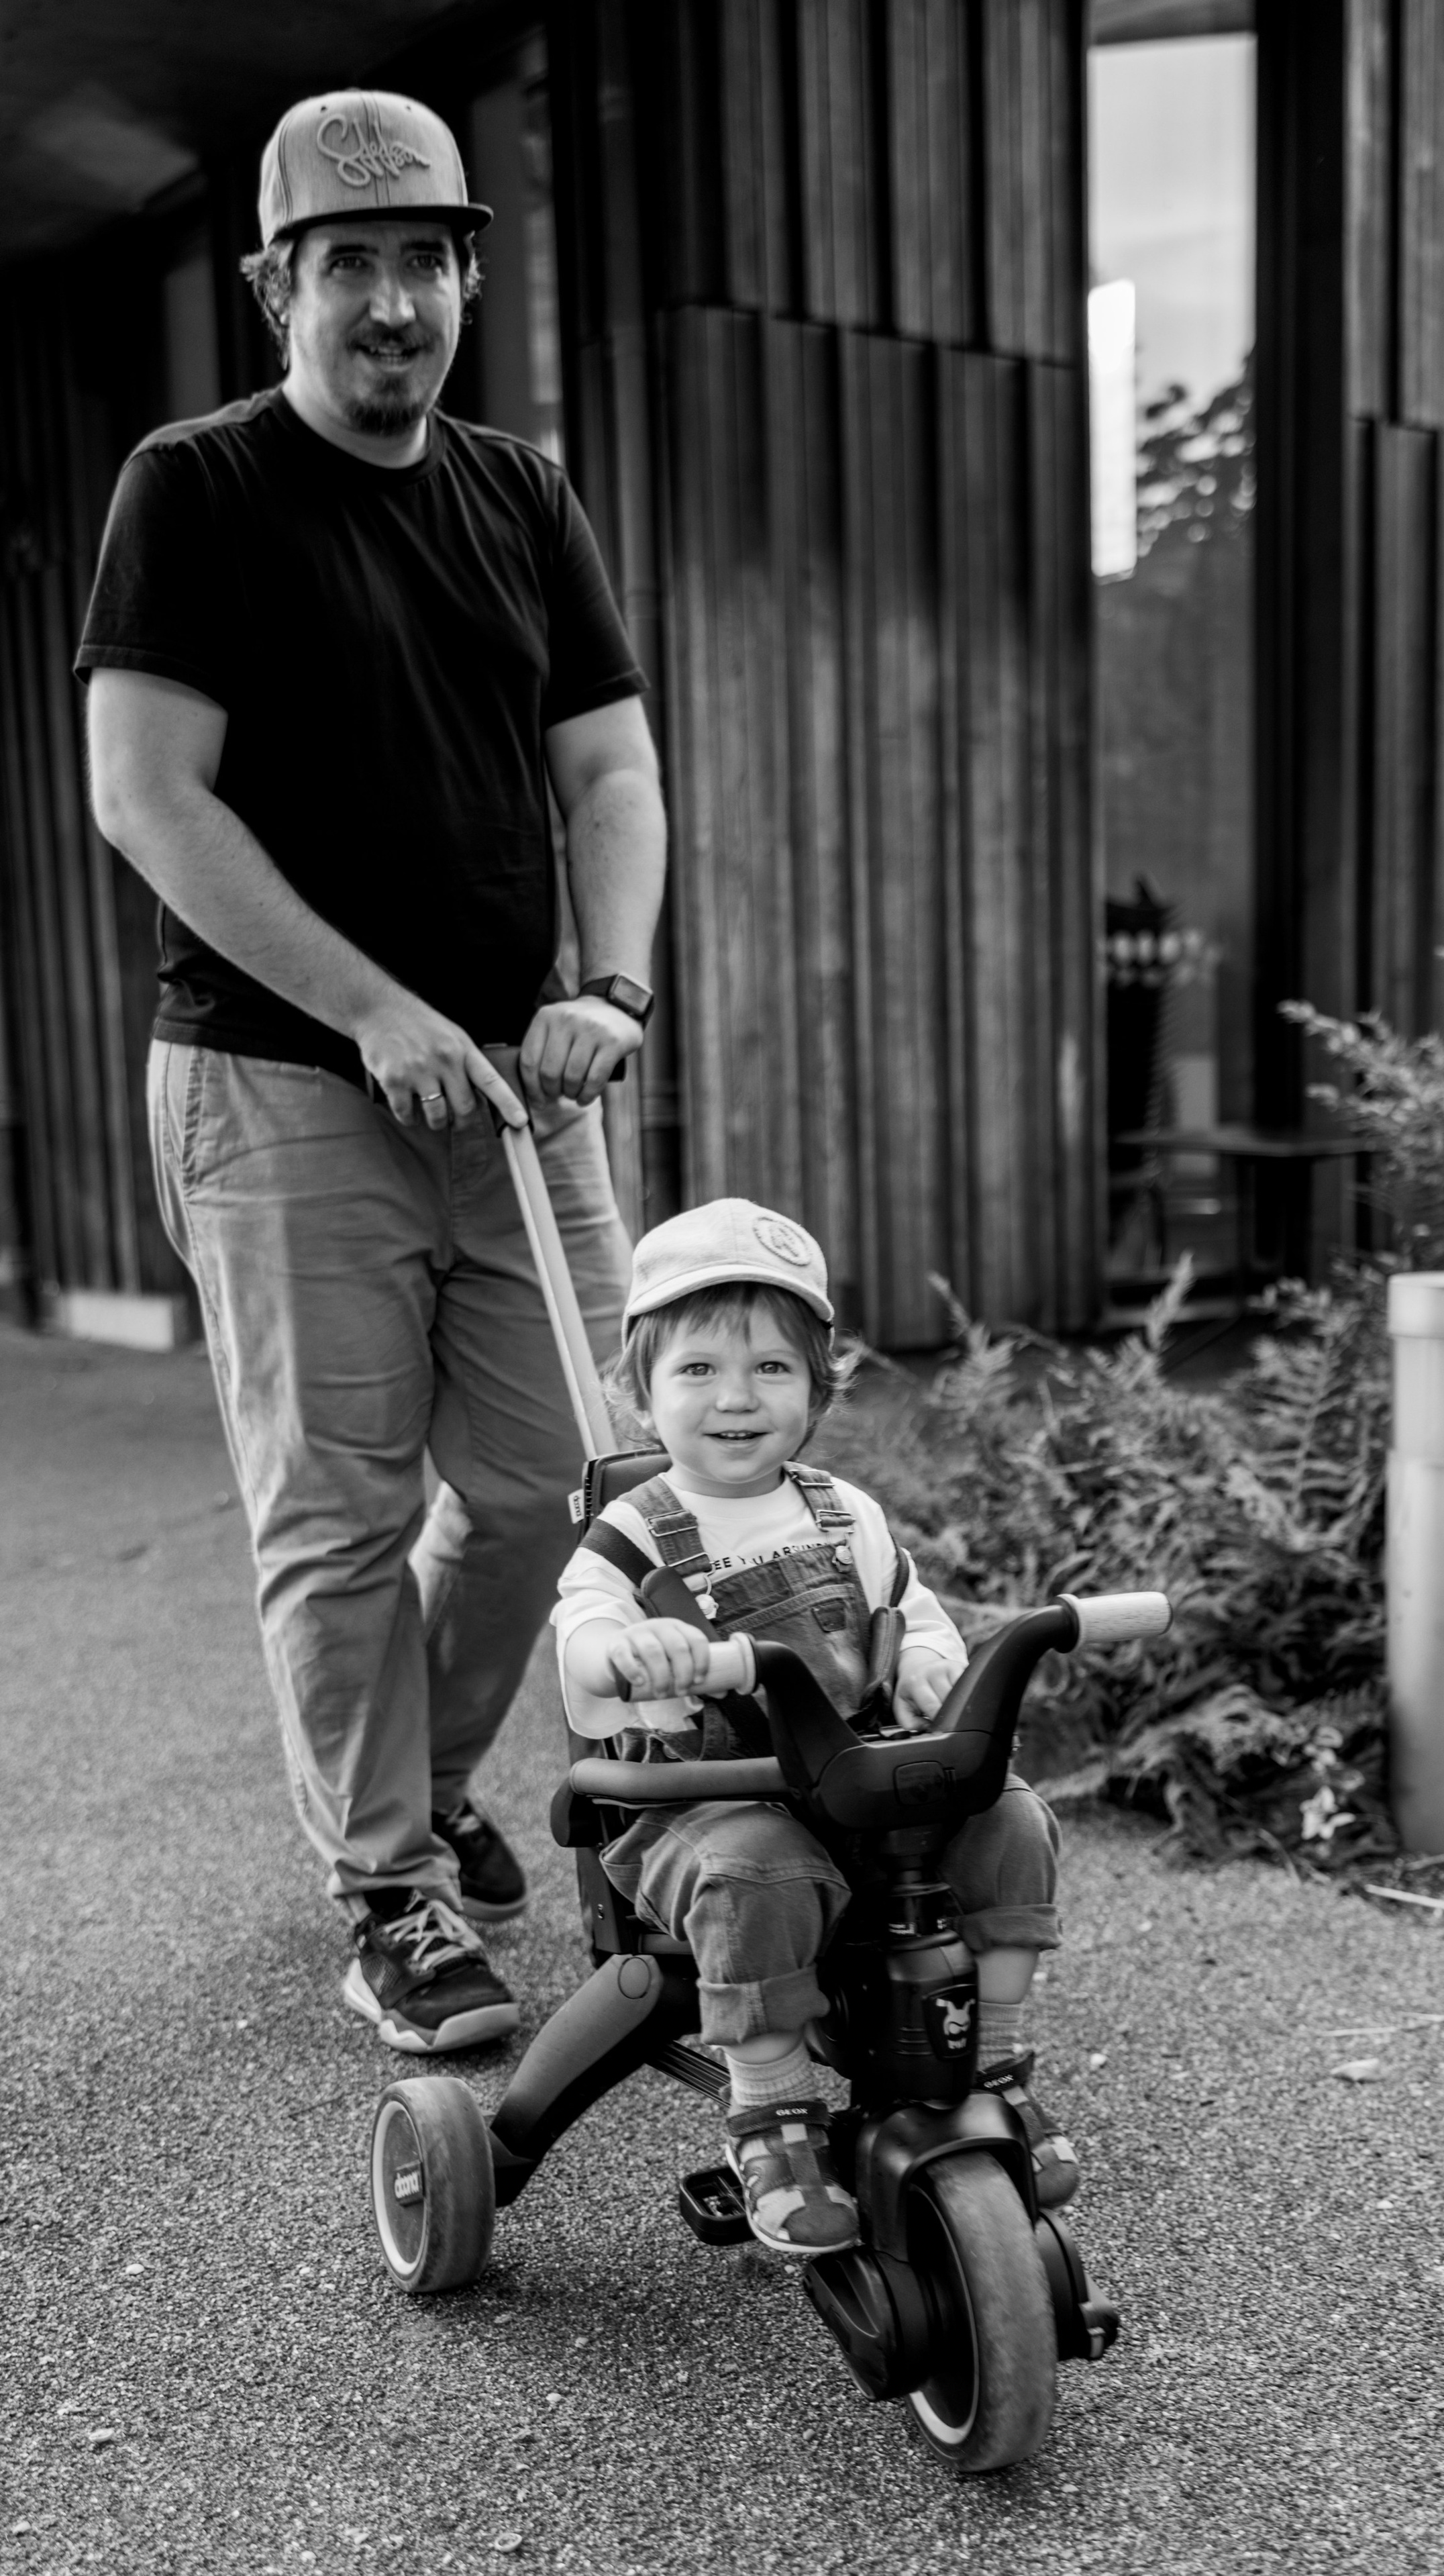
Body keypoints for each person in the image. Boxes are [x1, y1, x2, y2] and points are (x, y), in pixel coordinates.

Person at [76, 89, 666, 2054]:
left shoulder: (524, 496)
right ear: (278, 289)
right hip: (277, 1086)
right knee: (335, 1513)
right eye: (351, 266)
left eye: (427, 259)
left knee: (558, 1475)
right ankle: (390, 1889)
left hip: (516, 1093)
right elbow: (150, 793)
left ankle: (418, 1785)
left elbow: (609, 770)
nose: (394, 301)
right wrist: (372, 1009)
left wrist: (613, 986)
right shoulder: (194, 488)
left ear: (469, 280)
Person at [553, 1199, 1079, 2255]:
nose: (736, 1396)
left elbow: (913, 1614)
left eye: (771, 1367)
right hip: (708, 1806)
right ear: (641, 1393)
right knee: (757, 1868)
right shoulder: (632, 1531)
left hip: (863, 1787)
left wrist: (927, 1666)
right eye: (698, 1369)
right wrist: (631, 1651)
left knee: (1008, 1818)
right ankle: (772, 2109)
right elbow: (582, 1640)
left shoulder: (847, 1512)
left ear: (817, 1387)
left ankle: (995, 2052)